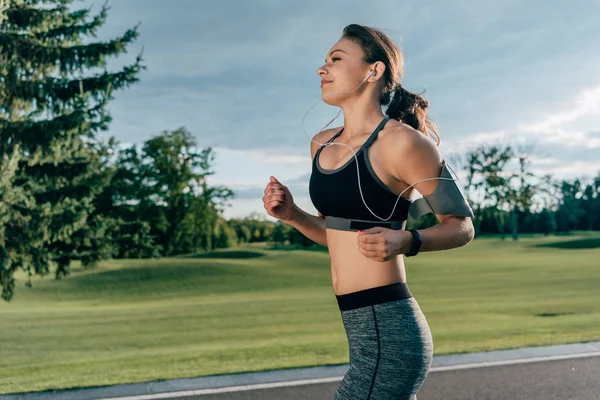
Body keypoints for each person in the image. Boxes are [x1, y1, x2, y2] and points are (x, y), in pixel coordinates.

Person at [262, 24, 475, 400]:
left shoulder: (404, 143)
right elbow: (337, 235)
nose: (321, 69)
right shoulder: (321, 145)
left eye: (336, 59)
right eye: (325, 60)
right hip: (359, 328)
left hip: (390, 334)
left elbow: (461, 227)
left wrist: (408, 239)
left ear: (373, 71)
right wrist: (293, 213)